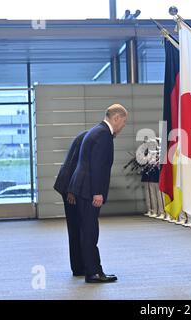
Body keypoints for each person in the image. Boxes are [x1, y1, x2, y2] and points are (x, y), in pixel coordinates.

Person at [68, 103, 128, 283]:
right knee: (90, 231)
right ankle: (93, 272)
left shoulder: (95, 131)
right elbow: (98, 166)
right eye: (123, 123)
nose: (123, 127)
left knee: (87, 230)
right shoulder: (104, 135)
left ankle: (90, 269)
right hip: (88, 190)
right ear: (116, 118)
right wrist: (97, 192)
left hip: (82, 187)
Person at [53, 130, 87, 276]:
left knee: (76, 228)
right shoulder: (88, 139)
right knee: (75, 229)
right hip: (69, 187)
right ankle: (78, 267)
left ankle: (78, 265)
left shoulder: (84, 136)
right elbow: (75, 166)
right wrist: (72, 190)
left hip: (67, 185)